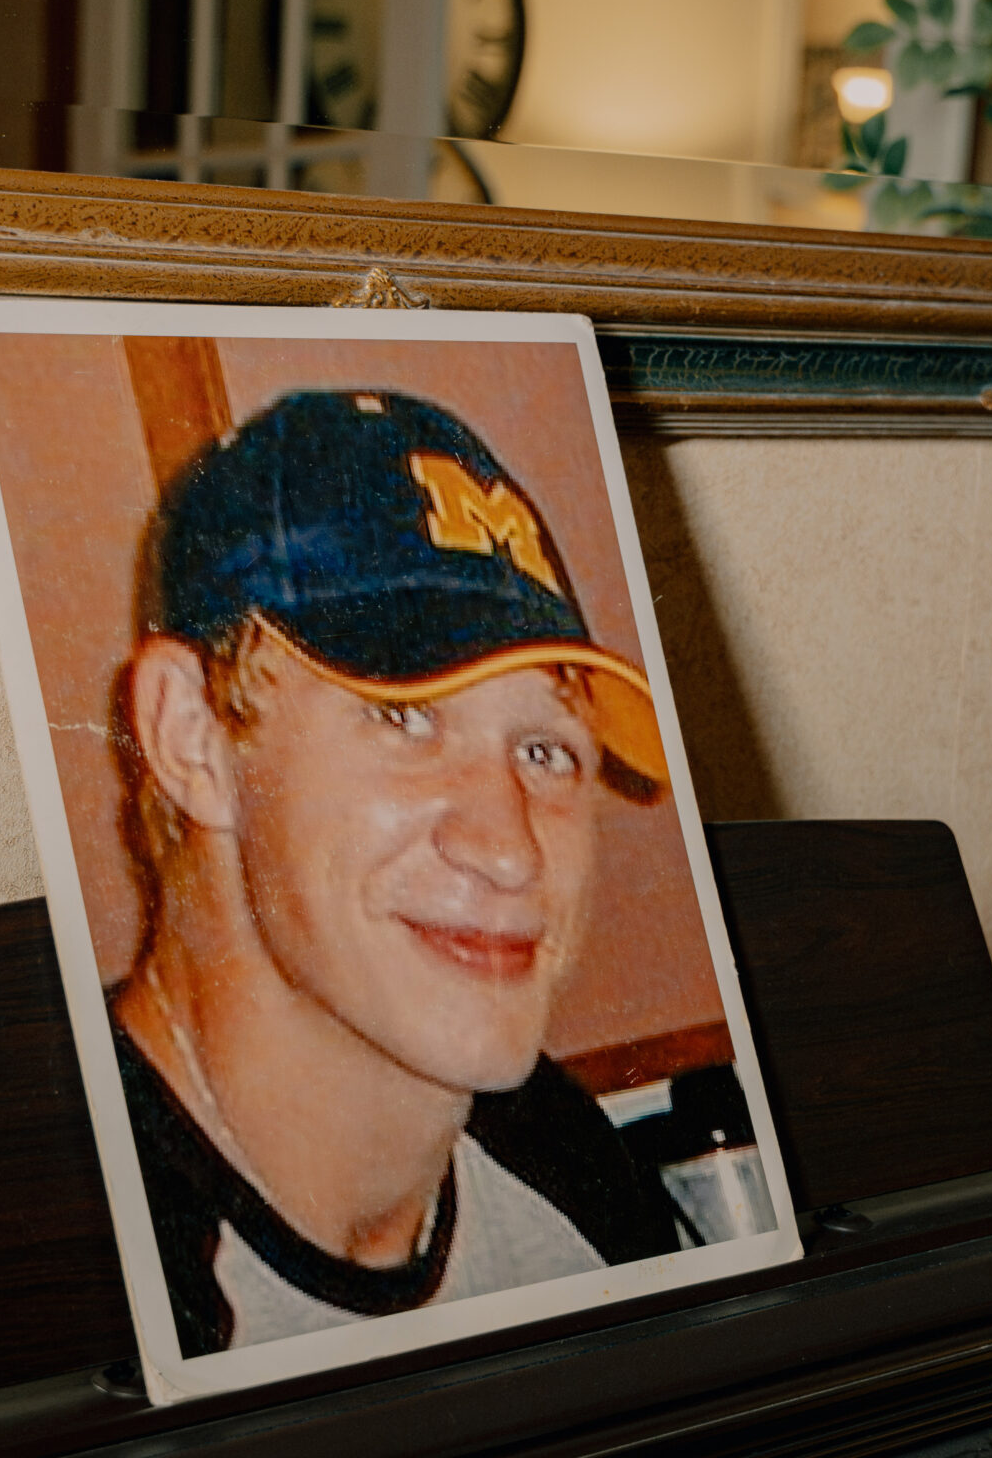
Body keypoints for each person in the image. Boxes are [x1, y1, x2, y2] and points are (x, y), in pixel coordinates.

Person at [108, 386, 689, 1355]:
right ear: (192, 739)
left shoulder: (560, 1156)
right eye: (402, 716)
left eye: (546, 748)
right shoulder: (92, 1270)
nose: (509, 848)